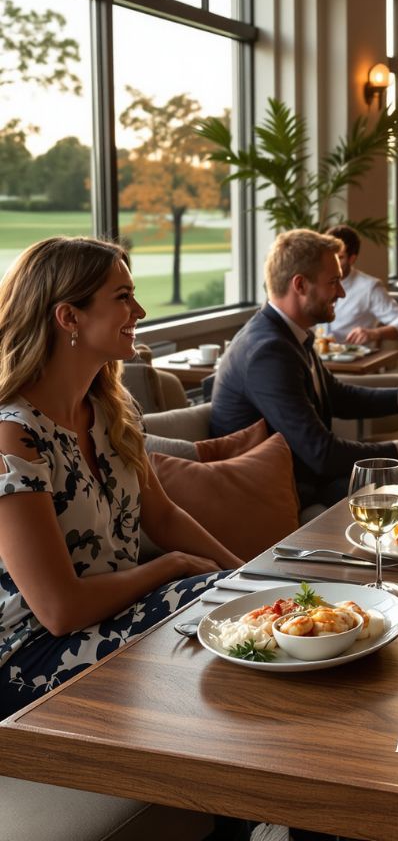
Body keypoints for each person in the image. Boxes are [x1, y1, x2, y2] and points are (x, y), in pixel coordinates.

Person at [0, 237, 241, 718]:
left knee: (239, 608)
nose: (141, 310)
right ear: (69, 317)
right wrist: (170, 567)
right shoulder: (13, 437)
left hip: (115, 619)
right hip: (30, 659)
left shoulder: (112, 410)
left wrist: (249, 575)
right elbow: (59, 610)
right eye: (122, 297)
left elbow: (164, 516)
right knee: (215, 617)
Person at [211, 229, 398, 511]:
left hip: (308, 479)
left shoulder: (288, 334)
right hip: (279, 494)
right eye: (334, 282)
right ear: (300, 285)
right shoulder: (268, 352)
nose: (342, 292)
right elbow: (322, 453)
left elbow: (337, 395)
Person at [321, 225, 398, 346]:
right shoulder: (314, 283)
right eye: (329, 256)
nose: (332, 264)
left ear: (352, 259)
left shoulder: (369, 287)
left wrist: (375, 333)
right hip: (316, 361)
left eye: (339, 258)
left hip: (356, 362)